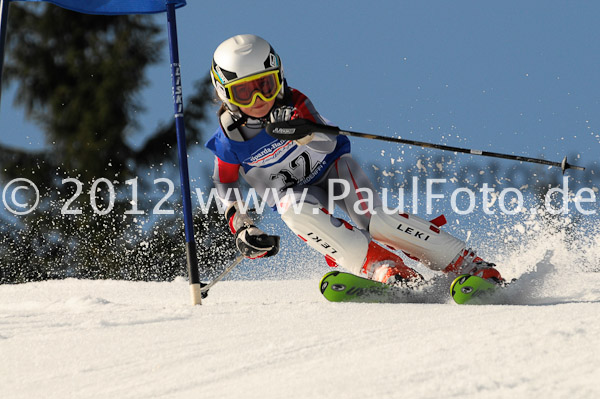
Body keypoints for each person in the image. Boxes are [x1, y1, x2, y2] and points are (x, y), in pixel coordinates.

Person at [206, 34, 503, 286]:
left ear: (279, 78)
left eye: (266, 86)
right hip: (296, 193)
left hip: (334, 172)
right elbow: (226, 183)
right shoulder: (230, 140)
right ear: (224, 92)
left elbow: (329, 141)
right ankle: (382, 266)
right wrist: (243, 227)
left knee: (374, 219)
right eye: (245, 93)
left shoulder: (293, 103)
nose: (259, 101)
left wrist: (305, 133)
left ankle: (466, 264)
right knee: (292, 211)